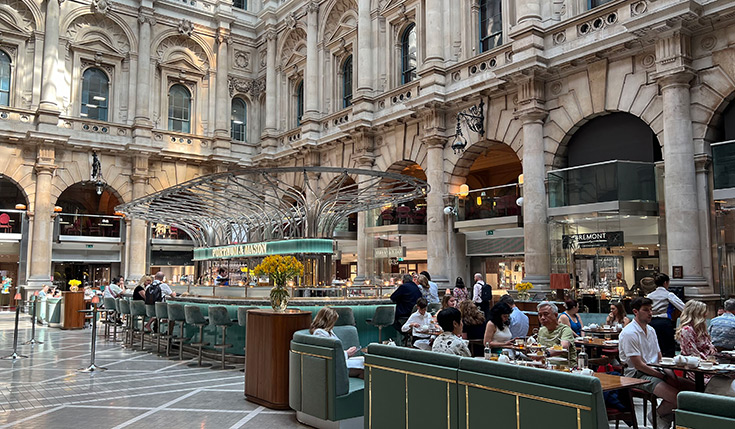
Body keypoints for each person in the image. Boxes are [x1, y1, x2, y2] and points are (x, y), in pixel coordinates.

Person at [619, 297, 693, 428]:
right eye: (646, 310)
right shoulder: (629, 332)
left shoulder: (651, 330)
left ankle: (661, 416)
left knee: (692, 389)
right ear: (636, 312)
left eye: (651, 310)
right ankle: (658, 415)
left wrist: (670, 375)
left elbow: (659, 358)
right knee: (678, 398)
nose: (650, 313)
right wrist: (663, 377)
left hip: (655, 370)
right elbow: (639, 365)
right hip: (637, 375)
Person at [310, 307, 364, 378]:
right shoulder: (319, 333)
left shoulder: (329, 331)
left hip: (339, 361)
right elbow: (328, 353)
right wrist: (347, 353)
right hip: (334, 365)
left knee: (364, 360)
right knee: (364, 365)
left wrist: (347, 353)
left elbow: (335, 349)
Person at [646, 273, 685, 357]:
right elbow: (683, 307)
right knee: (668, 349)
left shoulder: (649, 295)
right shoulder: (668, 294)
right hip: (664, 323)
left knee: (655, 347)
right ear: (665, 283)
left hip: (651, 323)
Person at [535, 302, 577, 367]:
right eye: (540, 315)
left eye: (546, 314)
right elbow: (538, 351)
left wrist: (546, 354)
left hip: (565, 369)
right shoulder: (541, 330)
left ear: (556, 315)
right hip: (546, 367)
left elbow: (564, 347)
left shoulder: (565, 329)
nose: (542, 318)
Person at [391, 274, 422, 345]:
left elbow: (393, 297)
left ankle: (405, 335)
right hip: (414, 313)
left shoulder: (403, 287)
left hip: (404, 313)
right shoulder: (415, 287)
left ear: (403, 281)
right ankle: (408, 335)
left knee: (393, 322)